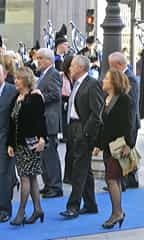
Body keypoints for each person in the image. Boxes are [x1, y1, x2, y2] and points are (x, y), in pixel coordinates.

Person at [60, 56, 103, 219]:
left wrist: (86, 132)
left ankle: (73, 206)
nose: (69, 69)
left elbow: (96, 113)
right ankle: (91, 204)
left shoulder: (92, 84)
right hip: (73, 128)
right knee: (84, 168)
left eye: (72, 66)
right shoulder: (76, 84)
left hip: (82, 130)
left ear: (80, 68)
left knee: (79, 168)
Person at [93, 69, 132, 229]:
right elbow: (103, 125)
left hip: (118, 146)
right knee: (113, 179)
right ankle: (118, 212)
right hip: (108, 145)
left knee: (111, 179)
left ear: (114, 82)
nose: (103, 80)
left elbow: (128, 123)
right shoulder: (106, 98)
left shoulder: (123, 99)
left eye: (106, 78)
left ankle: (117, 213)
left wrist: (129, 144)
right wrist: (98, 145)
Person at [7, 67, 47, 225]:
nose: (15, 81)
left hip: (31, 144)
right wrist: (10, 143)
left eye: (18, 78)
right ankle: (38, 209)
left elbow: (40, 120)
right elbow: (12, 122)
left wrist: (43, 139)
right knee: (31, 178)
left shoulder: (35, 97)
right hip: (18, 145)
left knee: (25, 178)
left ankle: (21, 212)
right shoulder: (16, 97)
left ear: (25, 80)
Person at [108, 52, 140, 189]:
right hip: (124, 123)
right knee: (125, 153)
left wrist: (129, 138)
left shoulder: (130, 79)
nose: (110, 70)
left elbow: (131, 108)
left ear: (120, 65)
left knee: (125, 152)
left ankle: (124, 181)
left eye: (112, 66)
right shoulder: (125, 76)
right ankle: (130, 180)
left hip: (129, 123)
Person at [35, 48, 63, 198]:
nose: (37, 61)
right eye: (37, 58)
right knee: (44, 156)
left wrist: (39, 96)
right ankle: (48, 184)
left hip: (50, 121)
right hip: (43, 121)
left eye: (40, 58)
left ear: (49, 60)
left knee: (50, 155)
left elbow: (55, 94)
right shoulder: (43, 75)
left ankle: (55, 186)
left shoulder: (53, 74)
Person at [0, 64, 17, 223]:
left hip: (5, 140)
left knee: (4, 174)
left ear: (4, 75)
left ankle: (4, 209)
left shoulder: (12, 91)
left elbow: (15, 119)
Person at [62, 55, 74, 183]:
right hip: (66, 115)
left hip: (70, 115)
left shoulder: (74, 78)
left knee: (71, 149)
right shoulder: (63, 77)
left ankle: (69, 175)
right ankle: (68, 175)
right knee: (70, 148)